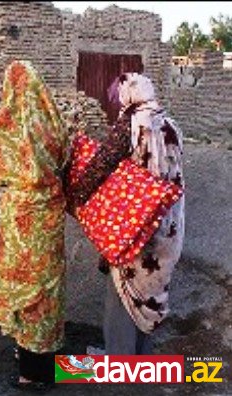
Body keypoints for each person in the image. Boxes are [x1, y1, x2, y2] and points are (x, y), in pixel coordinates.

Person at [0, 61, 70, 388]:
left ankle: (31, 374)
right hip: (48, 216)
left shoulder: (7, 125)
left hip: (21, 219)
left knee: (23, 284)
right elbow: (65, 160)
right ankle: (41, 357)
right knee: (45, 287)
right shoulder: (53, 124)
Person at [66, 73, 185, 354]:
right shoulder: (170, 123)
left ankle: (119, 357)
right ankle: (141, 353)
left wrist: (76, 194)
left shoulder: (132, 124)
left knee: (123, 288)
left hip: (136, 221)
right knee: (151, 288)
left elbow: (101, 164)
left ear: (128, 95)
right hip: (168, 222)